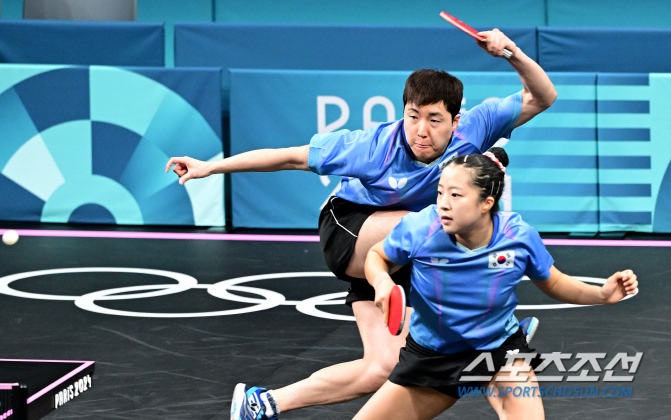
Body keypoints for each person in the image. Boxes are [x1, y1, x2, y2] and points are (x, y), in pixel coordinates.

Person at [165, 28, 557, 420]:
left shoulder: (477, 126)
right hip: (350, 232)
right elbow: (290, 157)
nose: (421, 130)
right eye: (413, 116)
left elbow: (543, 97)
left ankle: (263, 402)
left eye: (434, 120)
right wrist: (210, 167)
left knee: (384, 367)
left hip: (402, 251)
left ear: (456, 121)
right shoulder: (372, 148)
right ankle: (491, 329)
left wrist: (511, 52)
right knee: (445, 218)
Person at [355, 148, 638, 420]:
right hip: (434, 353)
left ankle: (515, 337)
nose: (443, 203)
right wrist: (381, 281)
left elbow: (554, 282)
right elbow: (377, 255)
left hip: (498, 348)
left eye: (455, 195)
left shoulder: (517, 237)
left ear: (486, 203)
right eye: (440, 192)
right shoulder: (420, 228)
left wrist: (602, 294)